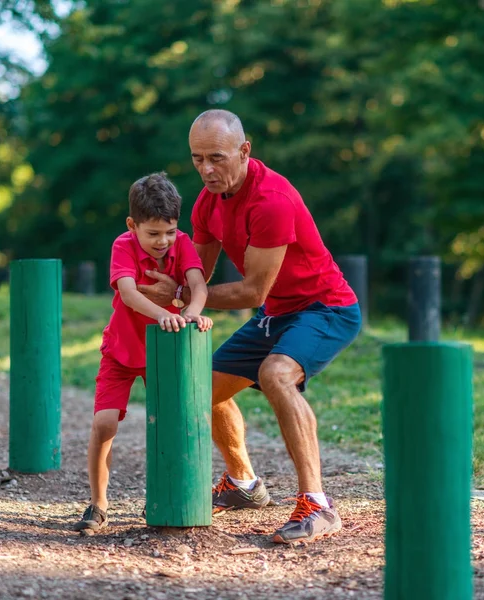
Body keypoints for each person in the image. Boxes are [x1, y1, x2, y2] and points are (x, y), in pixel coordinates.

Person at [138, 110, 361, 545]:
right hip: (275, 315)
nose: (206, 169)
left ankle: (318, 505)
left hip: (325, 308)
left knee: (275, 373)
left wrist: (182, 296)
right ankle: (243, 485)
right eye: (197, 158)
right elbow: (194, 276)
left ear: (244, 150)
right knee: (201, 386)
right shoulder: (207, 202)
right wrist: (157, 282)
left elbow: (253, 291)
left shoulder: (271, 199)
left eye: (216, 158)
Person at [74, 172, 213, 535]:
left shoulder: (181, 243)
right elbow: (130, 294)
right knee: (104, 422)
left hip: (163, 353)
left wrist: (192, 311)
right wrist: (167, 313)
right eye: (153, 234)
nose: (163, 241)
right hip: (121, 349)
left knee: (173, 422)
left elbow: (198, 286)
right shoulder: (123, 245)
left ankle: (174, 497)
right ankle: (98, 503)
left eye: (169, 231)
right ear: (132, 225)